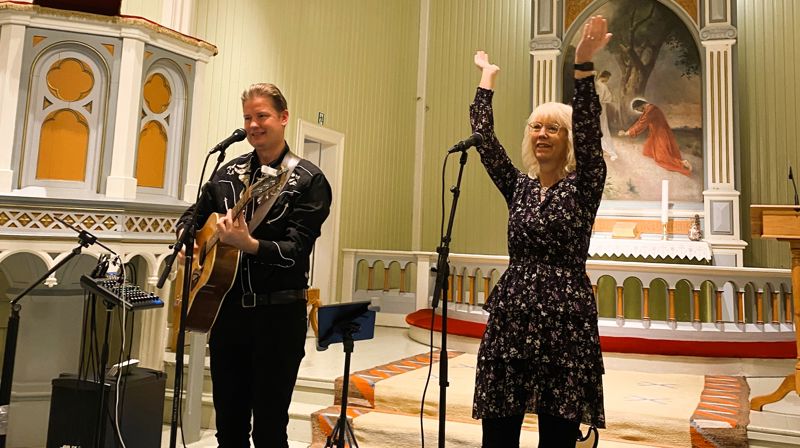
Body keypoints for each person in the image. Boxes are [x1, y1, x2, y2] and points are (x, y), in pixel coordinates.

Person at [469, 15, 609, 448]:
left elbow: (589, 134)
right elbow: (483, 139)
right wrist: (486, 82)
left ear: (567, 139)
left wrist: (582, 69)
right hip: (513, 313)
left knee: (557, 434)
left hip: (563, 317)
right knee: (499, 429)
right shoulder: (519, 186)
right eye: (536, 126)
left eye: (553, 127)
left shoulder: (583, 186)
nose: (542, 134)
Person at [177, 82, 332, 447]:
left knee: (268, 430)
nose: (253, 125)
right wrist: (188, 241)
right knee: (228, 429)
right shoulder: (227, 172)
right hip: (227, 316)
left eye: (262, 116)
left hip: (278, 317)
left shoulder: (308, 180)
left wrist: (249, 244)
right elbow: (194, 215)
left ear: (283, 117)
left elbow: (296, 249)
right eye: (248, 117)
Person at [618, 98, 692, 175]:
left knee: (661, 159)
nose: (638, 111)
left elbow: (641, 125)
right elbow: (639, 122)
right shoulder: (649, 109)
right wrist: (627, 131)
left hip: (661, 134)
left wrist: (626, 133)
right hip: (655, 133)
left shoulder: (651, 110)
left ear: (641, 105)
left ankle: (682, 163)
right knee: (647, 151)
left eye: (637, 109)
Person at [595, 70, 618, 161]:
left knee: (598, 127)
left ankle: (600, 148)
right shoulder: (602, 86)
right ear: (605, 77)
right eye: (608, 78)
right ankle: (605, 148)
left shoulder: (596, 84)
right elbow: (608, 98)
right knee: (603, 127)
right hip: (600, 108)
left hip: (595, 108)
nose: (608, 80)